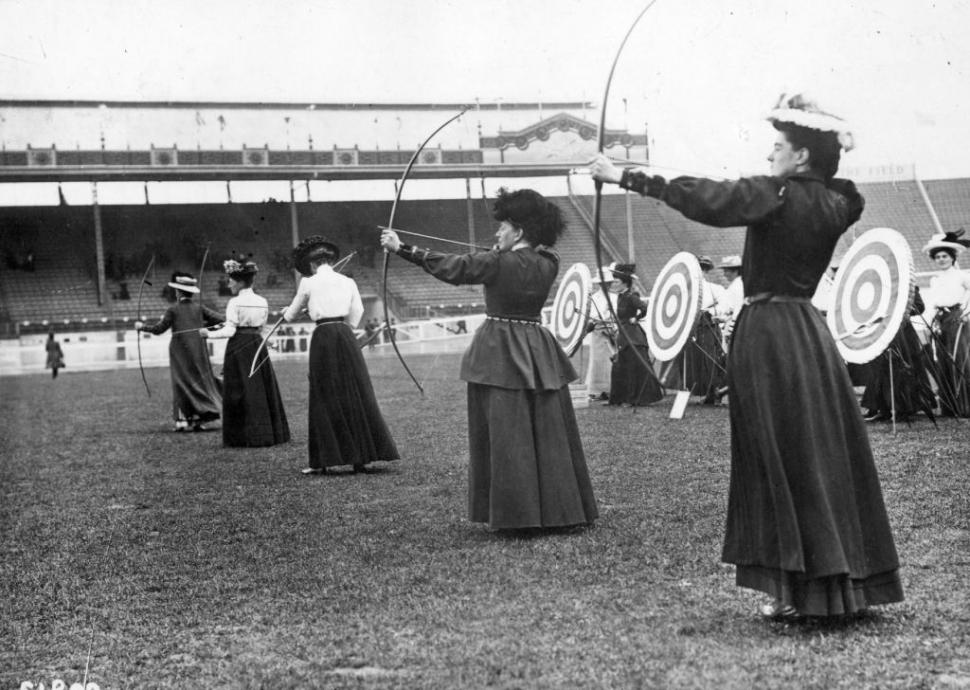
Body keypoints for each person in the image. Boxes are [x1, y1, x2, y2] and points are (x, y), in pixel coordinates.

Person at [591, 92, 903, 620]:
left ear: (800, 157)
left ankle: (798, 590)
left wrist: (623, 175)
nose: (769, 156)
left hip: (768, 332)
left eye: (778, 147)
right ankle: (837, 583)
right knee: (816, 451)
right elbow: (841, 189)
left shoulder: (777, 194)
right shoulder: (838, 202)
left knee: (776, 454)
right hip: (808, 332)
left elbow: (709, 198)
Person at [380, 188, 598, 530]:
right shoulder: (550, 262)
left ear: (520, 231)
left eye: (503, 227)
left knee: (507, 432)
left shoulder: (496, 262)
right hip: (537, 344)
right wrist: (500, 250)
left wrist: (401, 248)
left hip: (500, 348)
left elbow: (455, 268)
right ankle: (561, 510)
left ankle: (518, 516)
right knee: (546, 428)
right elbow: (508, 260)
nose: (497, 233)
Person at [284, 235, 398, 475]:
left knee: (324, 393)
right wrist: (342, 322)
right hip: (345, 335)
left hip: (323, 336)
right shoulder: (347, 281)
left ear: (313, 265)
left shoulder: (308, 283)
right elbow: (357, 311)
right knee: (354, 390)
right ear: (331, 261)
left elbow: (290, 316)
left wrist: (297, 311)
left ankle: (324, 461)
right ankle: (362, 458)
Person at [200, 258, 290, 447]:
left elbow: (230, 330)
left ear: (240, 281)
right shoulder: (262, 300)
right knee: (258, 388)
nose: (229, 283)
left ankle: (242, 437)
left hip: (238, 347)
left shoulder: (234, 302)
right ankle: (267, 433)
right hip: (256, 344)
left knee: (239, 390)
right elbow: (261, 328)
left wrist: (208, 333)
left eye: (231, 280)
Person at [136, 271, 223, 431]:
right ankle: (199, 419)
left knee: (181, 383)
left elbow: (159, 329)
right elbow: (222, 319)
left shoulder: (173, 310)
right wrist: (204, 324)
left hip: (179, 353)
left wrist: (142, 327)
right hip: (198, 350)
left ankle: (183, 421)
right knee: (198, 381)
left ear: (178, 292)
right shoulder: (199, 308)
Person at [860, 286, 936, 423]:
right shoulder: (877, 284)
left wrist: (902, 311)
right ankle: (880, 408)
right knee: (880, 369)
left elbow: (919, 306)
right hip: (882, 332)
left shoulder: (908, 284)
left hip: (904, 334)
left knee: (902, 368)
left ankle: (904, 409)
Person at [922, 230, 970, 417]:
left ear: (952, 258)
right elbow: (934, 302)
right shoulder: (935, 280)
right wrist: (929, 322)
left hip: (957, 318)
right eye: (938, 257)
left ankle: (965, 406)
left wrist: (966, 313)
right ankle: (950, 407)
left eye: (945, 256)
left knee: (959, 359)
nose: (941, 259)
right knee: (942, 360)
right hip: (940, 321)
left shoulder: (962, 276)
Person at [608, 263, 664, 406]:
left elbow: (645, 308)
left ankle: (636, 398)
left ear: (625, 283)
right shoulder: (620, 296)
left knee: (633, 368)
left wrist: (636, 318)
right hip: (624, 334)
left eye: (617, 281)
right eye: (614, 281)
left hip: (633, 337)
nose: (614, 283)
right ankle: (623, 398)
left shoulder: (632, 296)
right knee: (623, 366)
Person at [585, 266, 617, 401]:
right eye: (604, 283)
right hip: (598, 331)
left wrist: (612, 323)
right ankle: (596, 390)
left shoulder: (615, 297)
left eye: (608, 283)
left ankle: (611, 389)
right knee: (597, 360)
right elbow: (591, 315)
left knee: (611, 360)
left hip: (611, 331)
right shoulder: (593, 298)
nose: (607, 285)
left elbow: (617, 314)